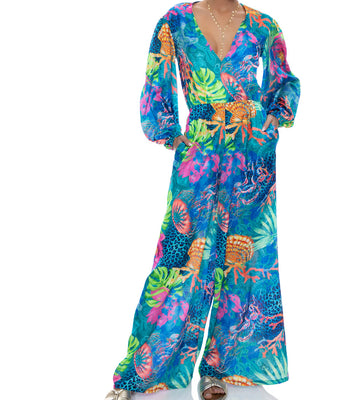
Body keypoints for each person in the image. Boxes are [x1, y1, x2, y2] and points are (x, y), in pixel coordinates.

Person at [105, 0, 300, 399]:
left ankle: (220, 367)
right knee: (180, 258)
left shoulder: (264, 25)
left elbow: (283, 79)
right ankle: (141, 373)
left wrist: (273, 117)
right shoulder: (175, 22)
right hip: (199, 151)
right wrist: (171, 134)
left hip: (251, 154)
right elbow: (156, 80)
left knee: (244, 259)